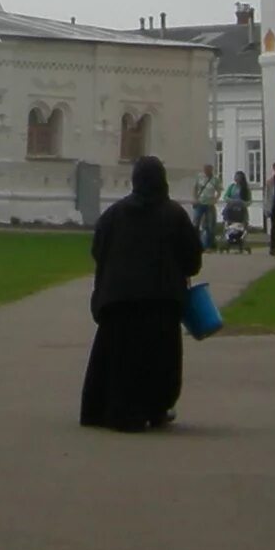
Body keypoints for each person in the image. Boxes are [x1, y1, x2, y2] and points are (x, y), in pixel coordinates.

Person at [81, 153, 204, 433]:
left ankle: (108, 409)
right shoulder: (174, 215)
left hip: (119, 302)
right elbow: (192, 260)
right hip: (161, 303)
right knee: (160, 360)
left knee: (116, 358)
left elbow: (98, 251)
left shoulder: (114, 214)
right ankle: (154, 408)